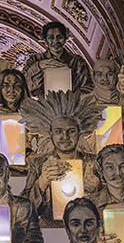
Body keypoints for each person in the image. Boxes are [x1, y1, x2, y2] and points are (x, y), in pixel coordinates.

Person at [24, 91, 100, 223]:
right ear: (50, 133)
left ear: (79, 133)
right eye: (59, 131)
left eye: (71, 131)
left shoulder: (94, 162)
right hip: (51, 229)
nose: (65, 137)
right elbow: (25, 209)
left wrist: (96, 192)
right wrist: (42, 182)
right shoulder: (38, 163)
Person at [22, 19, 91, 96]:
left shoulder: (77, 61)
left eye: (59, 37)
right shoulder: (35, 60)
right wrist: (37, 66)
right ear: (45, 40)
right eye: (51, 37)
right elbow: (23, 85)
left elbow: (88, 87)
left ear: (65, 38)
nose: (55, 41)